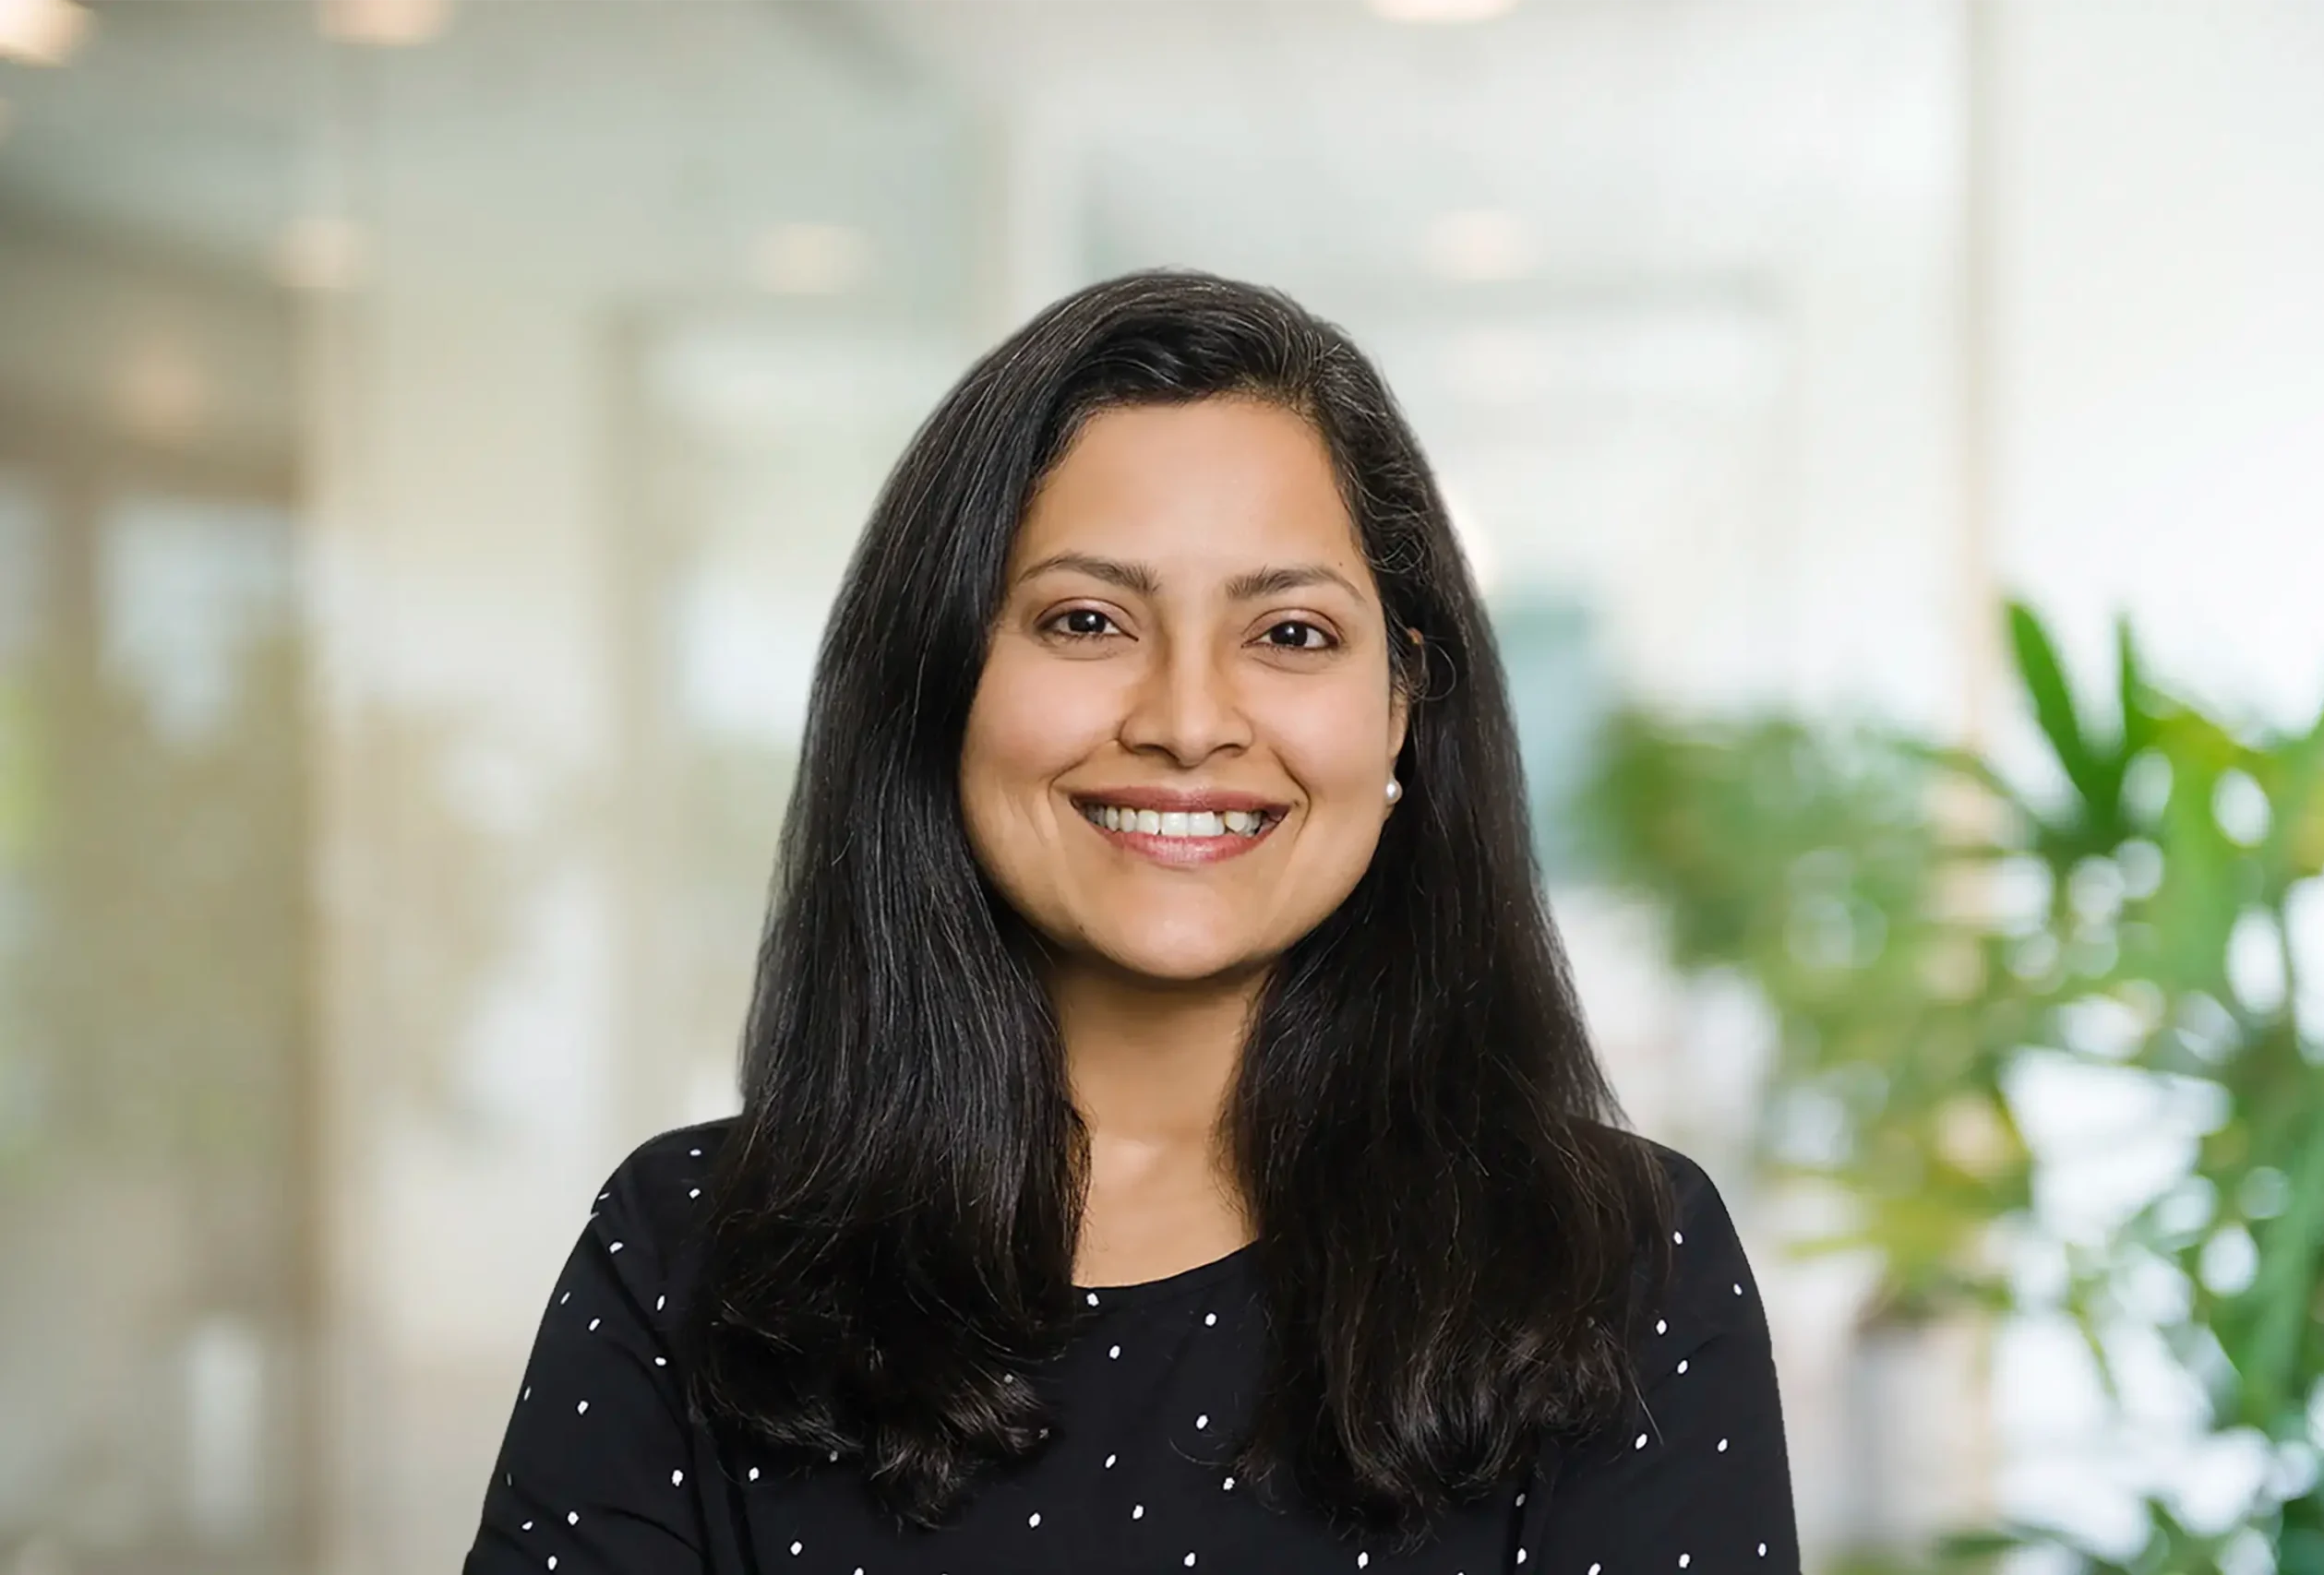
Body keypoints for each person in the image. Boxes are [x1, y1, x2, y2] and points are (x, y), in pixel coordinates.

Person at [461, 269, 1799, 1574]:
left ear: (1400, 711)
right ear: (942, 686)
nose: (1187, 718)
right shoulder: (690, 1251)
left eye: (1289, 633)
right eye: (1088, 619)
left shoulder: (1620, 1264)